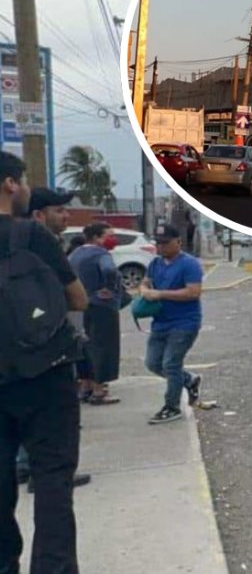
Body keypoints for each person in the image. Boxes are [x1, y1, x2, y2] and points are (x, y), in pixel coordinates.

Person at [0, 153, 90, 573]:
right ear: (9, 184)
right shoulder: (31, 236)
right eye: (24, 181)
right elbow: (77, 298)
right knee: (53, 483)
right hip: (44, 376)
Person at [140, 223, 204, 424]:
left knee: (171, 364)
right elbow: (145, 282)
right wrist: (144, 291)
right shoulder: (155, 264)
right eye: (158, 243)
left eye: (165, 243)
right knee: (153, 363)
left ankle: (172, 406)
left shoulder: (189, 264)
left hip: (184, 322)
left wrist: (160, 294)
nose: (161, 247)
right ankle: (188, 380)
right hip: (160, 322)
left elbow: (193, 291)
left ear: (178, 242)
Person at [70, 223, 124, 406]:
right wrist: (109, 288)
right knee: (103, 347)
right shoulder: (101, 255)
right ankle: (99, 390)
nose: (113, 239)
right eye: (109, 235)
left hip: (79, 305)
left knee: (84, 347)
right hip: (102, 306)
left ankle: (85, 386)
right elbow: (109, 270)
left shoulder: (75, 254)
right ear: (96, 237)